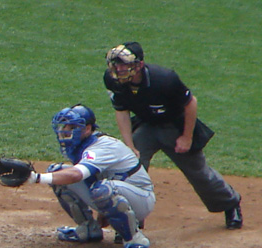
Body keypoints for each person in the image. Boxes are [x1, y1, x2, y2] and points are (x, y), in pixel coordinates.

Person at [103, 41, 243, 230]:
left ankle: (230, 204)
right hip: (146, 126)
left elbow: (190, 103)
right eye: (116, 64)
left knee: (199, 172)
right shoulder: (113, 80)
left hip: (175, 126)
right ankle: (132, 219)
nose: (118, 69)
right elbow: (122, 111)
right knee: (129, 167)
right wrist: (129, 145)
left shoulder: (164, 79)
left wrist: (187, 137)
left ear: (139, 65)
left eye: (123, 65)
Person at [28, 104, 156, 248]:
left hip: (140, 198)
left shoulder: (102, 146)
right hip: (113, 189)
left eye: (72, 127)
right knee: (58, 173)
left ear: (87, 129)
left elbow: (76, 175)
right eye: (65, 126)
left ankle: (135, 239)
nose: (65, 131)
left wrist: (36, 178)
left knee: (102, 189)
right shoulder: (81, 144)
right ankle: (88, 229)